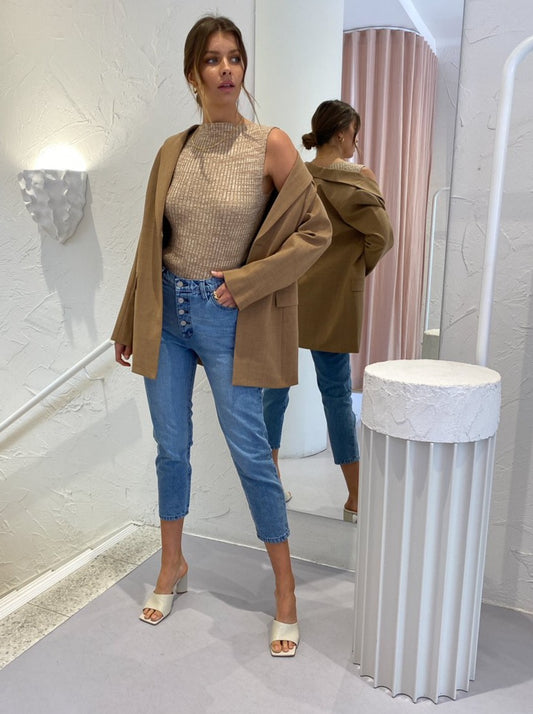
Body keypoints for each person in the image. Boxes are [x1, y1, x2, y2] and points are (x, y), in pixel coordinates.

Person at [111, 16, 331, 657]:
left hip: (227, 315)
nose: (226, 69)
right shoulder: (172, 151)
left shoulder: (271, 145)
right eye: (213, 59)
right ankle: (172, 565)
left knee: (251, 451)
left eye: (234, 57)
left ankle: (285, 587)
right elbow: (150, 243)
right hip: (166, 316)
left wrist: (249, 281)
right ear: (194, 74)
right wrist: (129, 320)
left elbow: (315, 231)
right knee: (171, 448)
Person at [263, 100, 393, 523]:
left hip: (285, 291)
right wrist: (351, 269)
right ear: (341, 133)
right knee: (337, 394)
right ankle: (355, 496)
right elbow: (382, 238)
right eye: (355, 132)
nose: (356, 140)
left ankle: (269, 484)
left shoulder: (293, 176)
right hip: (334, 300)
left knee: (274, 389)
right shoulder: (358, 180)